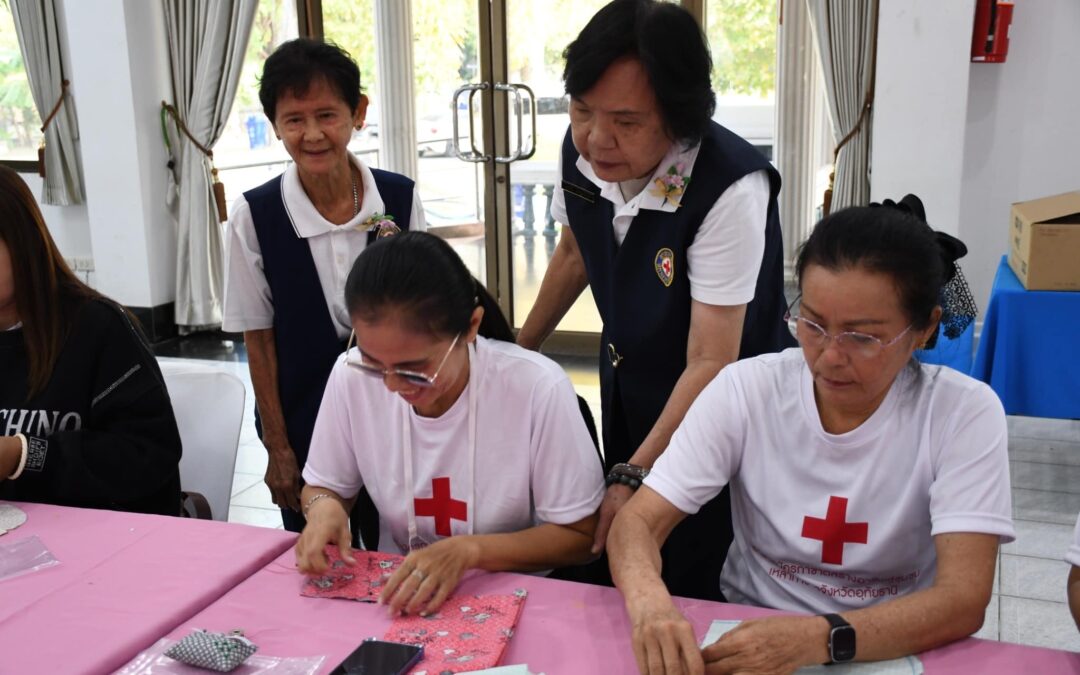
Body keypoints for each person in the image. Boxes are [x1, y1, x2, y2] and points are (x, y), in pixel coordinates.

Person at [608, 197, 1014, 673]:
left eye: (862, 337)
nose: (828, 357)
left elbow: (963, 599)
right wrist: (650, 604)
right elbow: (637, 523)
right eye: (813, 325)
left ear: (924, 329)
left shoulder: (961, 412)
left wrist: (820, 636)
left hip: (895, 642)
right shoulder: (747, 389)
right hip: (753, 628)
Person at [516, 0, 792, 599]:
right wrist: (517, 351)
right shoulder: (582, 153)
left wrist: (634, 473)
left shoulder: (728, 186)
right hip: (630, 383)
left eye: (626, 121)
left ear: (678, 115)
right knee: (613, 562)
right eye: (582, 111)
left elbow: (712, 361)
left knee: (689, 562)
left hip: (714, 403)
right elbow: (573, 254)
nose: (596, 139)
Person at [294, 231, 604, 616]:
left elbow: (581, 535)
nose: (391, 385)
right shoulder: (350, 376)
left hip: (521, 598)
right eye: (375, 363)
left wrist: (470, 551)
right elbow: (324, 485)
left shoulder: (536, 388)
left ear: (471, 326)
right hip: (400, 596)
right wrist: (325, 508)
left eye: (414, 369)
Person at [223, 38, 426, 540]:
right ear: (274, 123)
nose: (312, 134)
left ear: (357, 113)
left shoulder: (399, 198)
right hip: (301, 424)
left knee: (399, 547)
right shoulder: (256, 215)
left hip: (398, 418)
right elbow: (258, 335)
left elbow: (428, 318)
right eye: (294, 119)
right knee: (318, 558)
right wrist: (278, 447)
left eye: (326, 115)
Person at [0, 167, 182, 515]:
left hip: (101, 538)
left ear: (23, 239)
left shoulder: (98, 328)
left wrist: (23, 453)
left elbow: (149, 455)